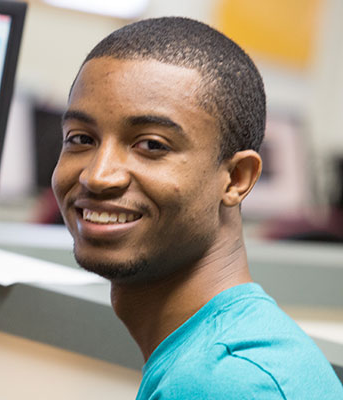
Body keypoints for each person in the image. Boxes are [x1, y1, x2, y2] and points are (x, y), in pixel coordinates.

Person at [51, 17, 343, 399]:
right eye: (81, 138)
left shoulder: (225, 381)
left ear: (237, 178)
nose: (98, 176)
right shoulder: (235, 350)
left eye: (152, 145)